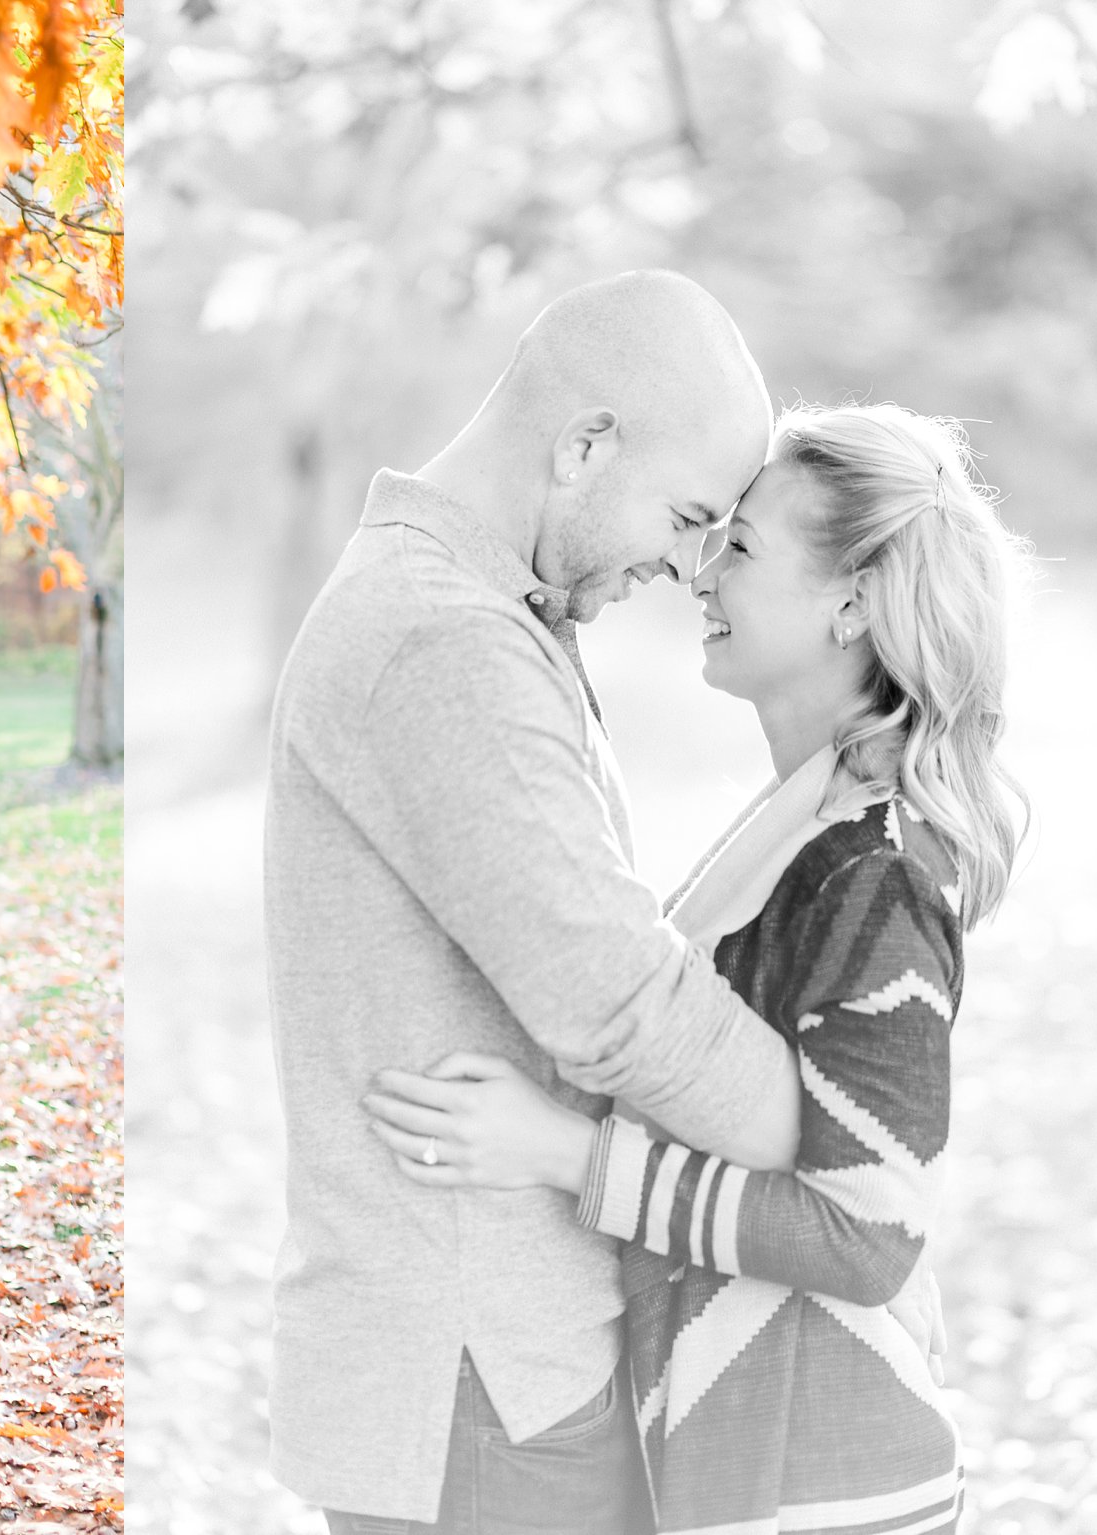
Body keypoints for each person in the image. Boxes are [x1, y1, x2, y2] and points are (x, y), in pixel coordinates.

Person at [365, 403, 1026, 1535]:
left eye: (742, 546)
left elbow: (869, 1235)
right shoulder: (792, 833)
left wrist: (566, 1150)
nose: (698, 573)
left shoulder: (870, 874)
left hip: (824, 1477)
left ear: (852, 602)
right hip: (743, 1459)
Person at [263, 270, 813, 1533]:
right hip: (481, 1372)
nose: (688, 567)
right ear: (581, 445)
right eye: (685, 516)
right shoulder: (438, 638)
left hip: (496, 1353)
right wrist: (829, 1130)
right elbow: (614, 997)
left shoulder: (478, 614)